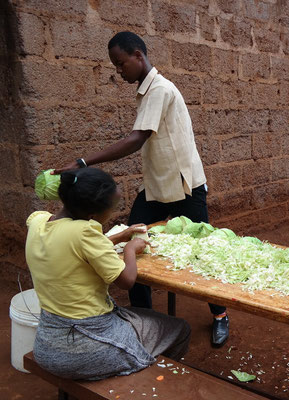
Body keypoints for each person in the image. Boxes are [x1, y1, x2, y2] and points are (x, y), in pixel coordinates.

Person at [54, 31, 229, 347]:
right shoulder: (148, 92)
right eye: (115, 66)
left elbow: (136, 140)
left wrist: (83, 162)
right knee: (132, 239)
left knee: (203, 253)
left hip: (185, 186)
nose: (119, 71)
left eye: (121, 63)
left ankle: (220, 315)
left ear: (138, 55)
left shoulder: (160, 89)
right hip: (157, 189)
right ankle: (145, 320)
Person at [25, 168, 191, 380]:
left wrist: (120, 236)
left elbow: (69, 244)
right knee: (180, 329)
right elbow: (127, 281)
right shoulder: (85, 232)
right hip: (86, 347)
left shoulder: (38, 221)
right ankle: (144, 382)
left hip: (48, 341)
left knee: (137, 319)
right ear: (92, 216)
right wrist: (130, 249)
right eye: (111, 209)